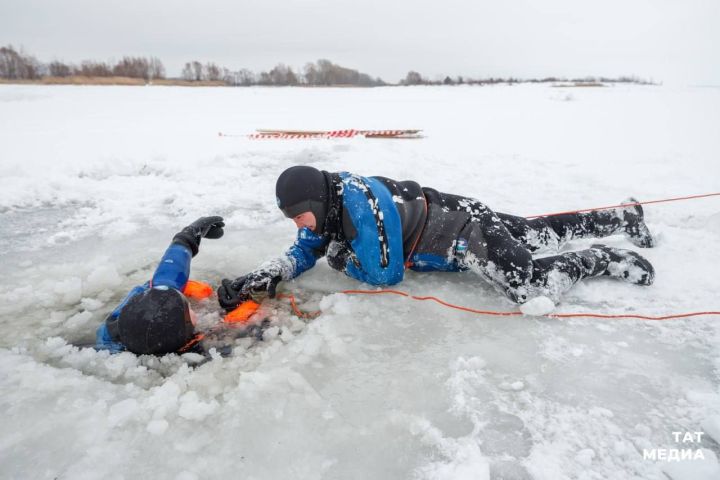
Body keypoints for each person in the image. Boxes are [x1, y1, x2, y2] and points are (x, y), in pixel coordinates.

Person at [217, 166, 655, 310]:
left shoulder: (360, 207)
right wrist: (268, 273)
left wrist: (338, 257)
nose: (300, 225)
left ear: (316, 198)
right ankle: (620, 216)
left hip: (463, 230)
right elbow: (304, 249)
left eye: (300, 215)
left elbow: (383, 274)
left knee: (529, 287)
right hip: (459, 210)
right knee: (538, 233)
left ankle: (598, 258)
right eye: (292, 218)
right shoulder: (326, 209)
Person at [96, 216, 225, 355]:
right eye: (187, 307)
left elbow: (165, 281)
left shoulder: (113, 328)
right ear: (183, 330)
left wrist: (185, 240)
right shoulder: (192, 357)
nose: (187, 302)